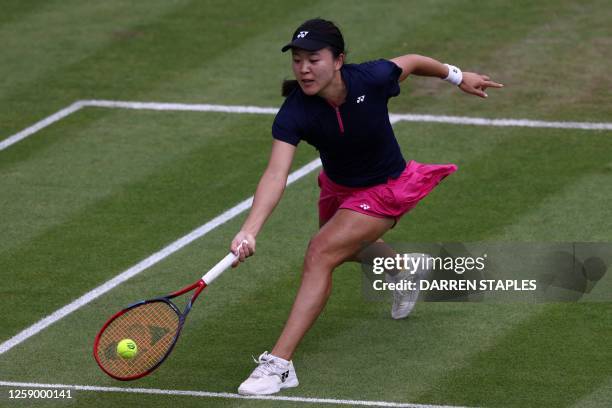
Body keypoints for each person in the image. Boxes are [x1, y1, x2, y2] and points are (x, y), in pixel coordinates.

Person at [230, 18, 503, 396]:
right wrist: (250, 229)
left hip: (387, 187)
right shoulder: (296, 112)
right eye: (297, 60)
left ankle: (279, 365)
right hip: (340, 189)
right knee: (347, 250)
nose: (304, 69)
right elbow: (276, 175)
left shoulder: (371, 78)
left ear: (338, 60)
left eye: (314, 59)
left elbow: (412, 60)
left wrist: (457, 77)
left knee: (321, 251)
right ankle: (404, 271)